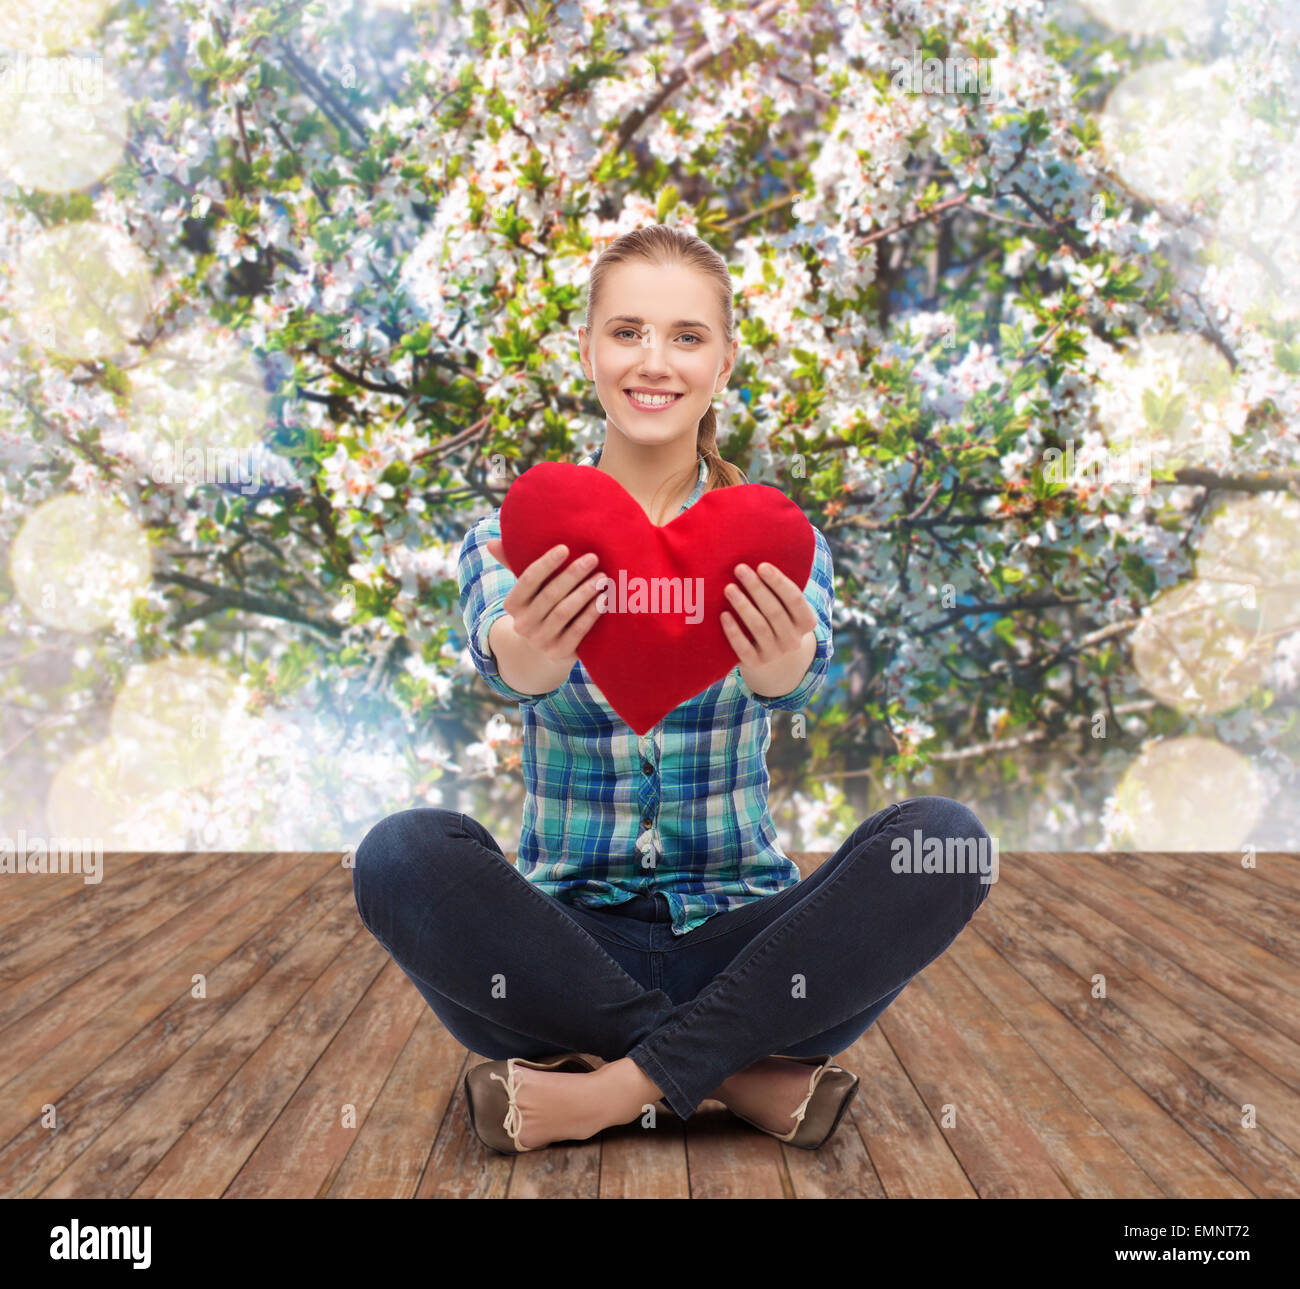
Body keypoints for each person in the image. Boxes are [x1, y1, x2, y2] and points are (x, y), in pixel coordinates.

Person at [352, 224, 994, 1153]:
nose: (655, 362)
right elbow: (508, 658)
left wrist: (776, 667)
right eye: (628, 332)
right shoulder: (513, 537)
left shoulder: (773, 538)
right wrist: (535, 647)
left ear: (725, 361)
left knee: (949, 844)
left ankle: (602, 1090)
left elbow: (797, 674)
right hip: (556, 964)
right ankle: (733, 1076)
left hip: (757, 958)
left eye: (687, 337)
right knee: (398, 853)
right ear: (588, 349)